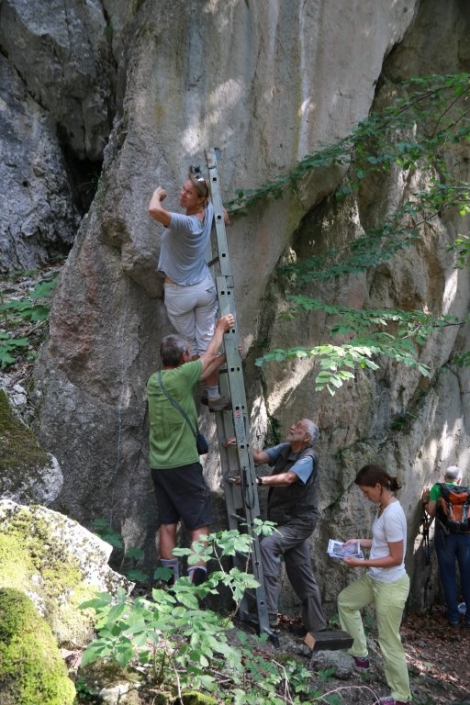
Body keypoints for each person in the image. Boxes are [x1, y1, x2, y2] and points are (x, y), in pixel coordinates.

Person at [147, 313, 234, 586]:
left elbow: (202, 370)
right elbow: (206, 358)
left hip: (159, 466)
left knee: (168, 524)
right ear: (185, 356)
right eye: (189, 353)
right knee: (200, 526)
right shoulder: (184, 375)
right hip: (183, 465)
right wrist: (221, 328)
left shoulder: (156, 380)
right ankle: (193, 589)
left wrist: (225, 359)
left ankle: (170, 586)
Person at [235, 418, 327, 634]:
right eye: (294, 424)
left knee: (268, 546)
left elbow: (288, 478)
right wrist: (240, 444)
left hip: (300, 521)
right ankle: (318, 626)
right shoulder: (286, 448)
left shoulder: (309, 457)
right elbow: (258, 457)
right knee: (301, 571)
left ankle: (270, 615)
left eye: (298, 427)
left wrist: (258, 481)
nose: (292, 426)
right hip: (284, 520)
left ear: (307, 438)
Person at [149, 170, 230, 411]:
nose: (182, 195)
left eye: (189, 193)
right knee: (207, 344)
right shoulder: (208, 213)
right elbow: (226, 218)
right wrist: (214, 202)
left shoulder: (186, 222)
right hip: (203, 289)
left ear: (200, 199)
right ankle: (213, 394)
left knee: (195, 352)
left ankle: (215, 367)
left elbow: (154, 210)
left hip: (180, 295)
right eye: (183, 189)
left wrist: (157, 194)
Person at [337, 464, 411, 705]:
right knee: (346, 602)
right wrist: (359, 541)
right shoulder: (384, 507)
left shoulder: (392, 514)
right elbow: (382, 542)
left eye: (366, 492)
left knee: (389, 640)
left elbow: (396, 557)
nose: (365, 496)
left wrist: (360, 563)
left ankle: (401, 696)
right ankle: (360, 654)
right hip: (376, 578)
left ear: (378, 487)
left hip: (391, 585)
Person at [422, 465, 470, 627]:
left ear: (444, 478)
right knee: (467, 575)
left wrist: (427, 498)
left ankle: (454, 617)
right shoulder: (466, 491)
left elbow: (432, 511)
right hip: (465, 539)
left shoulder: (438, 488)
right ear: (459, 480)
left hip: (445, 537)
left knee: (448, 575)